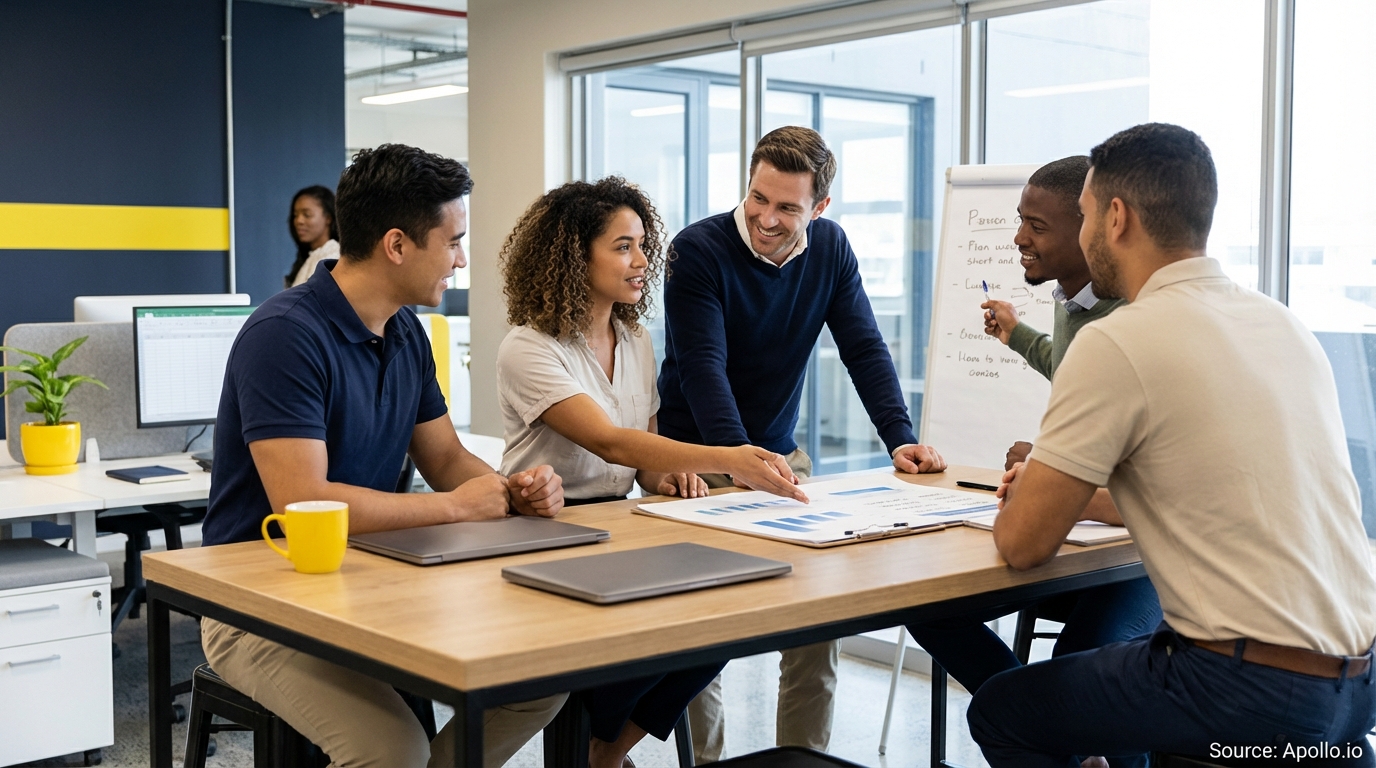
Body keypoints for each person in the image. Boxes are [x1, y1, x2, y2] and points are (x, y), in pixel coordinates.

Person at [969, 123, 1376, 766]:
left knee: (1002, 711)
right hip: (1356, 687)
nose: (1080, 234)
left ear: (1116, 217)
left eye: (1081, 216)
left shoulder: (1119, 338)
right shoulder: (1283, 325)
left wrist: (1031, 496)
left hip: (1249, 693)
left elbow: (1023, 545)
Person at [200, 144, 568, 768]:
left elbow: (446, 456)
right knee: (393, 748)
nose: (462, 259)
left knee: (539, 681)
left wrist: (512, 488)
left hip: (371, 579)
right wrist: (453, 510)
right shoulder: (284, 336)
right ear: (397, 245)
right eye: (452, 241)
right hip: (257, 603)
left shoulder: (405, 332)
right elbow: (302, 503)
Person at [657, 125, 948, 761]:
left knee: (815, 624)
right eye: (758, 197)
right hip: (692, 463)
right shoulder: (697, 249)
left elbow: (864, 346)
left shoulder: (832, 249)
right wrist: (739, 463)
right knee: (703, 635)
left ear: (819, 208)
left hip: (779, 459)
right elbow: (703, 365)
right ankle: (705, 763)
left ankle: (803, 759)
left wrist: (900, 437)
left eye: (786, 206)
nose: (765, 217)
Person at [496, 176, 804, 768]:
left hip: (622, 528)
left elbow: (643, 455)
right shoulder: (528, 345)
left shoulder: (634, 337)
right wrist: (730, 457)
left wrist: (665, 478)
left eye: (642, 244)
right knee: (647, 637)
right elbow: (611, 442)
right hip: (545, 535)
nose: (643, 262)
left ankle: (606, 749)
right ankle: (595, 749)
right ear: (572, 254)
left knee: (728, 614)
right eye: (622, 247)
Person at [905, 157, 1161, 710]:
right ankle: (1042, 732)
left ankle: (1044, 728)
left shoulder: (1136, 320)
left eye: (1036, 226)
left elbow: (1157, 477)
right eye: (1021, 220)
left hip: (1142, 561)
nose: (1019, 237)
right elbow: (1073, 371)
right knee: (931, 611)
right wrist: (1018, 336)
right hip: (1083, 544)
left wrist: (1050, 466)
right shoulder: (1072, 304)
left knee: (1080, 674)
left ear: (1092, 229)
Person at [286, 185, 340, 288]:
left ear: (328, 218)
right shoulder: (310, 257)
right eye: (295, 215)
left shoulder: (334, 257)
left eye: (307, 214)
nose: (299, 221)